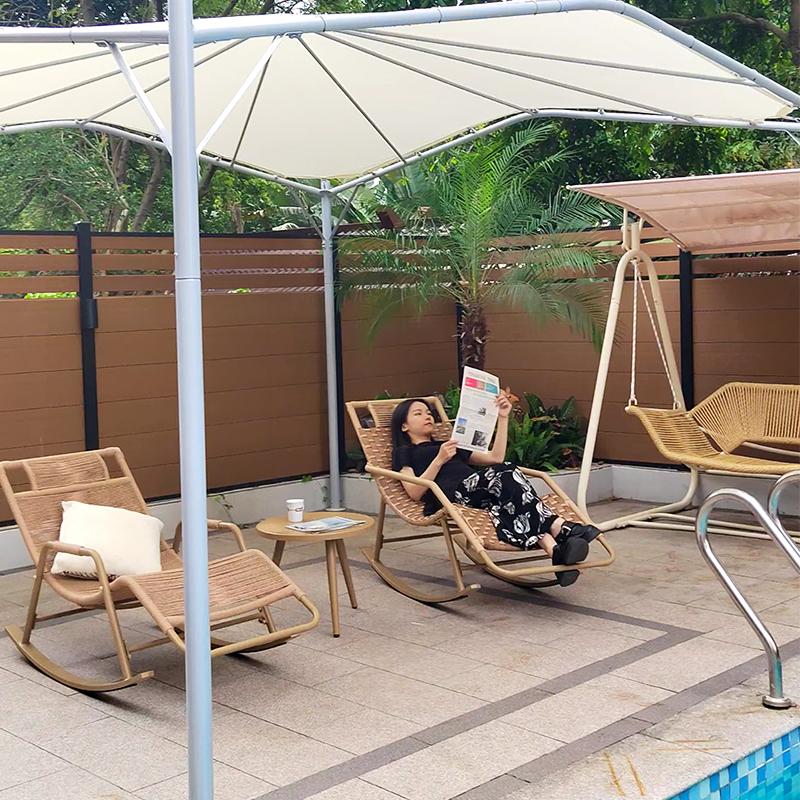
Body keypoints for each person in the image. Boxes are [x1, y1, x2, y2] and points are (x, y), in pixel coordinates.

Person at [391, 397, 601, 586]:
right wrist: (439, 460)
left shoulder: (448, 444)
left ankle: (554, 550)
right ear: (404, 426)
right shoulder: (405, 452)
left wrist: (503, 418)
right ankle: (561, 526)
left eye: (428, 413)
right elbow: (414, 492)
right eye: (418, 413)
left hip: (480, 492)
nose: (427, 416)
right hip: (454, 495)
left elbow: (495, 458)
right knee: (505, 471)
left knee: (514, 500)